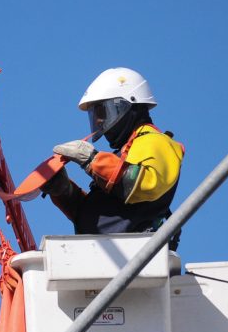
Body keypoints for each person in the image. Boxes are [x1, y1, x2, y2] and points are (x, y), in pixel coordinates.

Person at [42, 67, 185, 234]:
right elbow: (104, 215)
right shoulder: (125, 154)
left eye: (102, 111)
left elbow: (145, 185)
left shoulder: (155, 141)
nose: (99, 121)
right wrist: (65, 192)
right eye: (95, 115)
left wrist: (92, 161)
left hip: (135, 248)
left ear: (127, 105)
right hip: (105, 247)